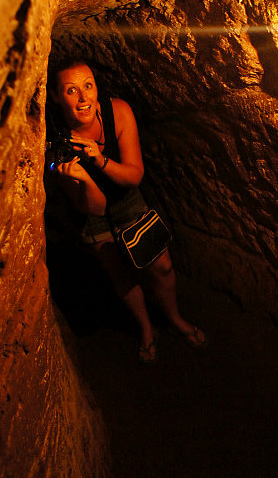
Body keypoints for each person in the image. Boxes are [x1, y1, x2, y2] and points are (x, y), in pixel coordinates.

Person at [46, 57, 207, 364]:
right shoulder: (58, 147)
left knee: (161, 266)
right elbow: (95, 208)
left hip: (126, 196)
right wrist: (83, 178)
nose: (83, 98)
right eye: (70, 90)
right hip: (92, 212)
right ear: (55, 96)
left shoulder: (117, 112)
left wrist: (98, 160)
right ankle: (146, 328)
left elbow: (134, 176)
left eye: (88, 86)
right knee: (119, 274)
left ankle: (174, 318)